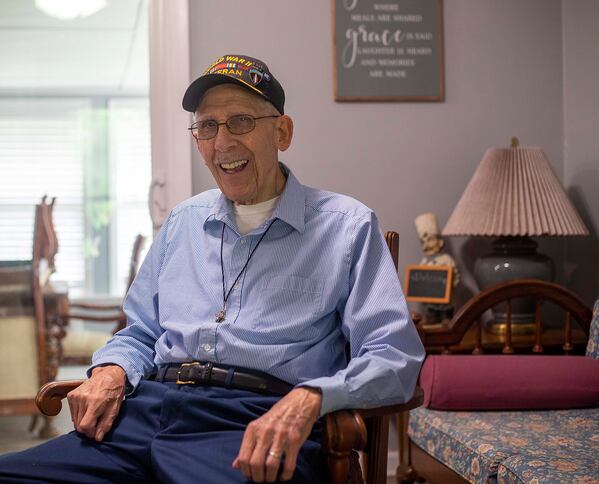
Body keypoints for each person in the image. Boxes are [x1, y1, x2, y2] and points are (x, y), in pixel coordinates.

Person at [0, 54, 424, 483]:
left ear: (282, 131)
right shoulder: (183, 221)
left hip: (250, 424)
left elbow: (396, 356)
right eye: (206, 127)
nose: (221, 143)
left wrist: (313, 396)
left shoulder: (346, 226)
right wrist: (112, 369)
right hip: (144, 414)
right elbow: (141, 333)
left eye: (240, 121)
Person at [414, 212, 460, 322]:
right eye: (422, 242)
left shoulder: (447, 260)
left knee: (447, 322)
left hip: (446, 303)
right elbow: (419, 280)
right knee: (431, 321)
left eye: (430, 240)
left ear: (440, 242)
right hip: (430, 303)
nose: (426, 245)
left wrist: (450, 285)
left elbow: (456, 276)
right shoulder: (424, 262)